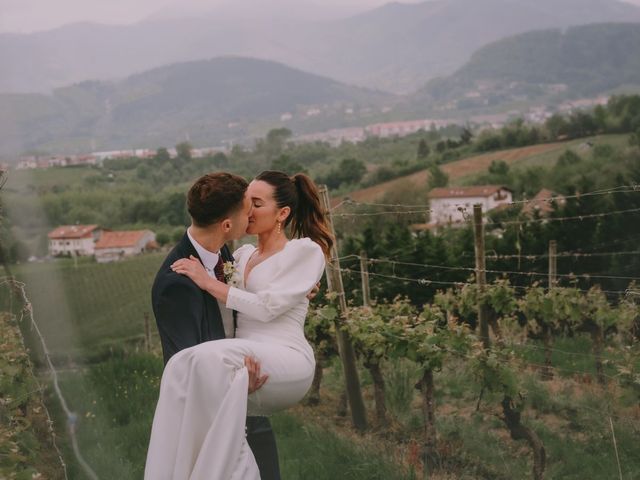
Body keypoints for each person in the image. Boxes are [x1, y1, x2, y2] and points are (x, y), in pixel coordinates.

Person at [145, 170, 333, 480]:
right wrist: (233, 387)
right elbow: (196, 349)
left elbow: (269, 304)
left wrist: (210, 283)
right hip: (238, 382)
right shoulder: (238, 257)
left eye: (256, 203)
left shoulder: (300, 252)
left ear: (282, 213)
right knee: (190, 363)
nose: (249, 211)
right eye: (247, 204)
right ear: (227, 224)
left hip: (274, 362)